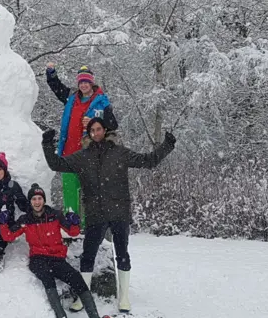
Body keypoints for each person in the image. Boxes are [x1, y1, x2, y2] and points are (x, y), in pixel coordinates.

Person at [41, 118, 176, 313]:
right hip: (96, 214)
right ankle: (82, 296)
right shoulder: (82, 156)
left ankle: (124, 298)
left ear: (104, 130)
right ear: (88, 134)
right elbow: (56, 164)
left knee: (122, 255)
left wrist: (167, 145)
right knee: (88, 257)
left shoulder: (119, 153)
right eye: (92, 130)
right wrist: (47, 143)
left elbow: (148, 161)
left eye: (99, 129)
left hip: (119, 212)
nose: (96, 133)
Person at [0, 184, 101, 318]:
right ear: (30, 201)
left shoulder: (55, 215)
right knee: (47, 278)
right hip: (38, 258)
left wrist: (75, 222)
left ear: (44, 200)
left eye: (39, 198)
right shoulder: (25, 220)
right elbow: (8, 236)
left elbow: (73, 232)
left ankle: (94, 315)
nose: (37, 202)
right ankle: (61, 315)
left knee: (77, 278)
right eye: (34, 199)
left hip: (57, 258)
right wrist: (3, 223)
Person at [44, 63, 118, 228]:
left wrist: (94, 122)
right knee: (70, 190)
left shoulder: (102, 102)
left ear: (92, 83)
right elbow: (57, 88)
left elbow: (113, 125)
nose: (84, 85)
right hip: (69, 153)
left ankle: (89, 225)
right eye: (81, 82)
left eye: (87, 82)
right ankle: (72, 224)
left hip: (90, 156)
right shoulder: (71, 98)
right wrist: (51, 73)